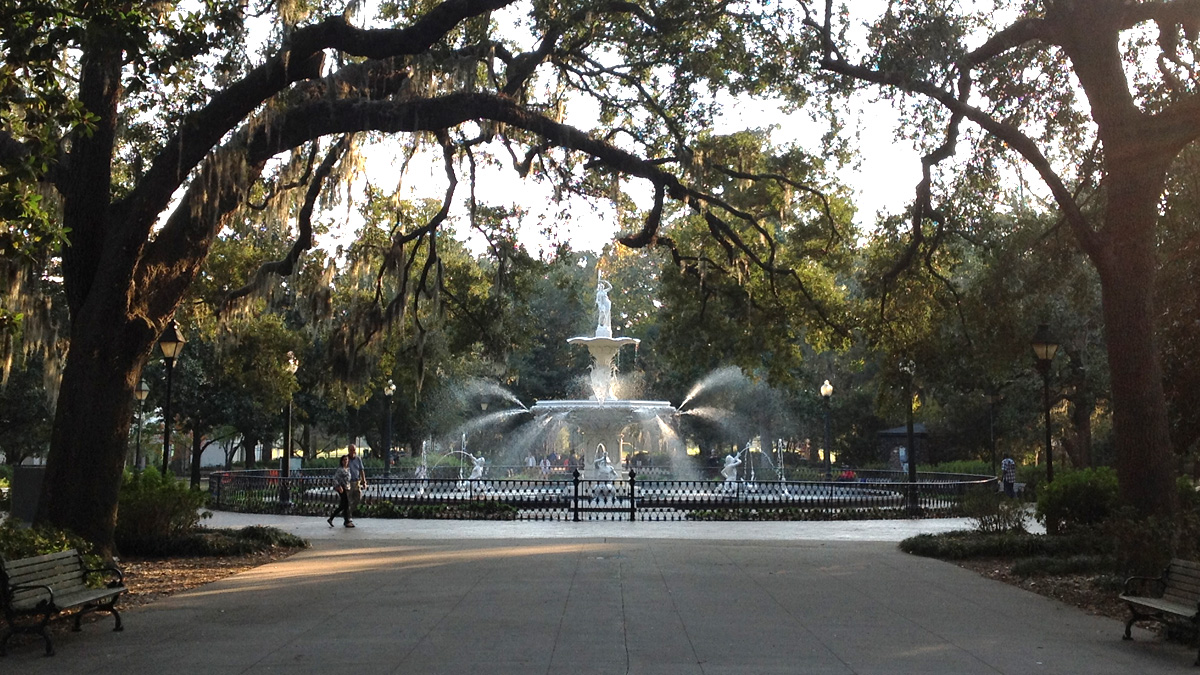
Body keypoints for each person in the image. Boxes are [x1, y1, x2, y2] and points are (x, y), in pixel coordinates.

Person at [327, 455, 354, 528]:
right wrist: (339, 486)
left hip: (346, 487)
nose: (346, 461)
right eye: (344, 460)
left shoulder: (347, 469)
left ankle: (331, 518)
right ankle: (346, 521)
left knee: (343, 505)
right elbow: (335, 479)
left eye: (347, 460)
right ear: (342, 461)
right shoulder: (340, 470)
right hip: (341, 488)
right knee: (346, 504)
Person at [347, 443, 367, 518]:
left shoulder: (358, 459)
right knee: (348, 500)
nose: (352, 452)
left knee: (358, 498)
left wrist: (364, 481)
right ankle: (348, 516)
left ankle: (349, 511)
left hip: (356, 482)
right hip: (348, 482)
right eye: (351, 450)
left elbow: (361, 470)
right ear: (348, 450)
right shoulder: (346, 459)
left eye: (354, 450)